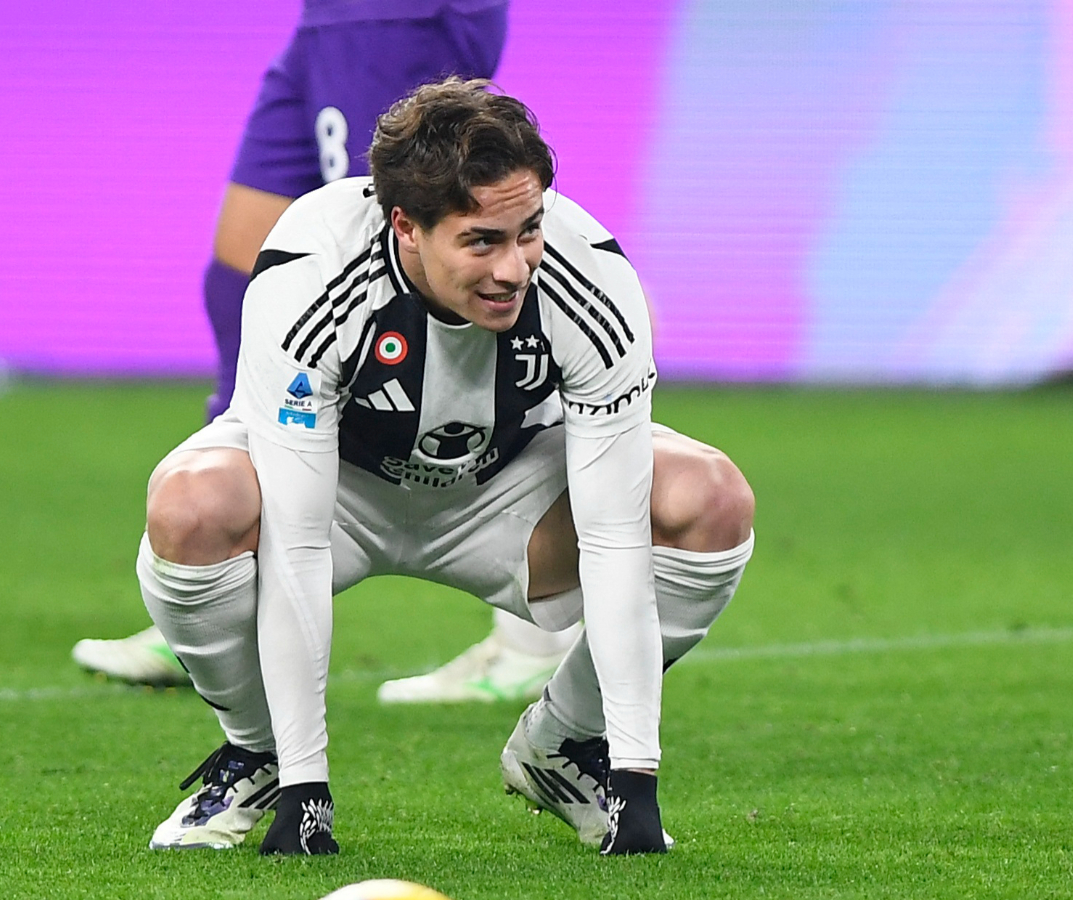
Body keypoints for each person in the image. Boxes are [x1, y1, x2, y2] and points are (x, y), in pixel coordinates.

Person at [136, 78, 756, 855]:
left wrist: (637, 775)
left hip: (506, 499)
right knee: (192, 507)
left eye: (529, 230)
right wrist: (305, 784)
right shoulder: (311, 267)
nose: (514, 268)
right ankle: (257, 756)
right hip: (339, 496)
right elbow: (296, 543)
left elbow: (614, 532)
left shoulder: (590, 279)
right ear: (406, 226)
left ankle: (565, 745)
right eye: (481, 242)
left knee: (708, 499)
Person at [69, 0, 582, 702]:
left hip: (396, 16)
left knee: (420, 263)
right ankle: (228, 588)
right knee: (241, 277)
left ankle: (537, 635)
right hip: (326, 22)